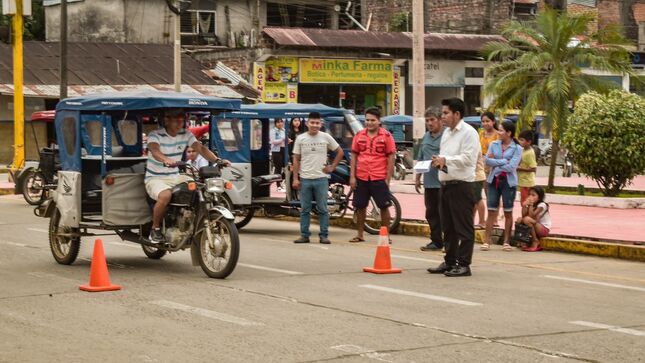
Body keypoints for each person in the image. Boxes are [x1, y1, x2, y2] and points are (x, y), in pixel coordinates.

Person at [145, 108, 228, 244]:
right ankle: (155, 229)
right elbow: (155, 150)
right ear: (167, 120)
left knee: (201, 187)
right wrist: (165, 159)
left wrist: (217, 160)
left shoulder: (186, 134)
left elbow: (200, 148)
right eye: (176, 120)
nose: (179, 123)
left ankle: (193, 220)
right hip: (156, 177)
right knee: (165, 195)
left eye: (181, 120)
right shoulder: (155, 134)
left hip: (176, 176)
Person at [426, 98, 480, 277]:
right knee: (447, 227)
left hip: (462, 186)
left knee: (463, 227)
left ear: (457, 114)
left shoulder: (468, 132)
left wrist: (446, 160)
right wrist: (439, 162)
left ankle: (464, 264)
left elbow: (468, 159)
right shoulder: (447, 133)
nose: (443, 117)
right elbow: (446, 157)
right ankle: (450, 261)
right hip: (446, 184)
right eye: (442, 113)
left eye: (446, 113)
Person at [292, 112, 344, 244]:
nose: (315, 125)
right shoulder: (300, 138)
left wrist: (332, 167)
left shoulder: (326, 137)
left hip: (321, 179)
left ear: (321, 124)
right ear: (307, 123)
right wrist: (295, 178)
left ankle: (324, 235)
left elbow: (340, 152)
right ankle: (304, 235)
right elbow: (296, 159)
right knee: (305, 209)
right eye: (312, 123)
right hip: (305, 179)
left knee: (323, 209)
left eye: (317, 123)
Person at [349, 107, 396, 243]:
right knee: (360, 206)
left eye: (372, 120)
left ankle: (386, 235)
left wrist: (388, 178)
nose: (369, 123)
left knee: (384, 206)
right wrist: (352, 177)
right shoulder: (359, 135)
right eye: (367, 120)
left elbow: (391, 157)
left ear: (379, 121)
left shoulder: (386, 136)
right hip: (362, 176)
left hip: (379, 176)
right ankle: (360, 234)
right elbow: (354, 157)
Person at [482, 121, 522, 252]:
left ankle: (506, 241)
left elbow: (512, 167)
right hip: (493, 180)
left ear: (509, 133)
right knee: (491, 210)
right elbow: (487, 160)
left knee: (508, 212)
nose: (498, 133)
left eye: (501, 130)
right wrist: (504, 161)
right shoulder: (494, 144)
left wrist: (496, 163)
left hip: (509, 183)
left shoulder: (517, 148)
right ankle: (486, 241)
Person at [415, 107, 444, 251]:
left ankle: (449, 242)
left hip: (443, 182)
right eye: (427, 121)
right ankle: (436, 241)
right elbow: (421, 158)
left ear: (440, 121)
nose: (430, 123)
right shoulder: (426, 137)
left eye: (432, 120)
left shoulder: (446, 136)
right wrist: (417, 178)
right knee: (431, 213)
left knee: (444, 213)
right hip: (429, 183)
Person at [516, 186, 551, 252]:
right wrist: (524, 206)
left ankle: (535, 241)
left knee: (527, 219)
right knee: (519, 219)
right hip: (534, 225)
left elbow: (532, 216)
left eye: (533, 195)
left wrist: (531, 205)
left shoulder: (542, 205)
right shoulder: (532, 204)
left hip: (543, 229)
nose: (530, 197)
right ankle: (523, 240)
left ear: (539, 197)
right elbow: (523, 216)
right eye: (529, 195)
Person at [517, 130, 538, 205]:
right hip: (523, 182)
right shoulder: (522, 150)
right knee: (523, 202)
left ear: (529, 142)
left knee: (526, 203)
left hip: (527, 183)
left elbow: (533, 168)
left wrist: (519, 168)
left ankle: (526, 216)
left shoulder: (530, 153)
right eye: (519, 139)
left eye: (522, 140)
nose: (520, 141)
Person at [270, 118, 286, 191]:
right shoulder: (273, 131)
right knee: (278, 168)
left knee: (286, 166)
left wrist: (288, 140)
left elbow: (285, 139)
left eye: (281, 122)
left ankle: (280, 180)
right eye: (278, 122)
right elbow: (273, 141)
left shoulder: (284, 130)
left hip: (284, 150)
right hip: (276, 151)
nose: (280, 124)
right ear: (275, 123)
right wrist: (282, 139)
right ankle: (278, 185)